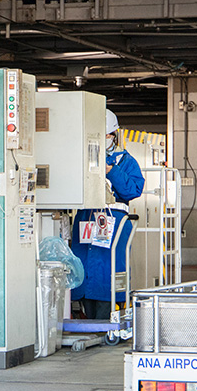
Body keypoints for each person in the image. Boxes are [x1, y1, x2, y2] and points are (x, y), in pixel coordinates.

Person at [71, 109, 145, 320]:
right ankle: (83, 310)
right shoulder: (80, 157)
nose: (103, 140)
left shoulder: (125, 160)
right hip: (86, 218)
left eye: (105, 136)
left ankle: (109, 314)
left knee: (108, 267)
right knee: (82, 265)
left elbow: (132, 190)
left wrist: (110, 170)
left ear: (113, 135)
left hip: (115, 220)